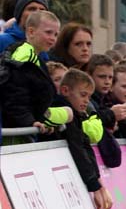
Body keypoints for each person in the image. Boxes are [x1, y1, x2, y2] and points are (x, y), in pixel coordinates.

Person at [0, 11, 72, 142]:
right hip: (15, 133)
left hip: (23, 128)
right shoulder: (24, 56)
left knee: (69, 113)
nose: (53, 38)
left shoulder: (36, 57)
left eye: (56, 34)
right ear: (31, 32)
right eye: (48, 32)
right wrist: (30, 122)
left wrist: (41, 121)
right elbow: (13, 95)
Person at [52, 69, 113, 209]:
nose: (87, 101)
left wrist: (98, 183)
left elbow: (85, 145)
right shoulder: (64, 110)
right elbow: (77, 148)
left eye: (90, 96)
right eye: (83, 95)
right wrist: (94, 185)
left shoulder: (78, 114)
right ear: (66, 90)